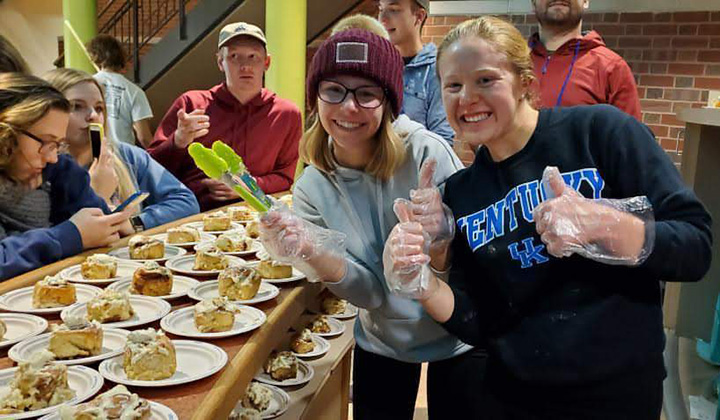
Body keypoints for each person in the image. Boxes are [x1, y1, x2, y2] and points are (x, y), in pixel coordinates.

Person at [383, 16, 712, 419]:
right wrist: (421, 281)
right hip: (514, 399)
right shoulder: (460, 193)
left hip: (618, 395)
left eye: (485, 80)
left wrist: (608, 226)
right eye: (453, 85)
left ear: (526, 84)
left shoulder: (601, 133)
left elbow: (697, 246)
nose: (466, 98)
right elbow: (479, 323)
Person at [259, 28, 484, 420]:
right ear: (316, 97)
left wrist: (443, 234)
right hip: (383, 339)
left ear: (389, 102)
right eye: (334, 90)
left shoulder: (426, 154)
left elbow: (475, 262)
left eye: (366, 93)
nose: (348, 108)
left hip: (458, 333)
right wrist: (314, 251)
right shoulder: (312, 186)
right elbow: (370, 295)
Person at [148, 22, 302, 211]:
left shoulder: (287, 114)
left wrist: (248, 187)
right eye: (234, 56)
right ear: (220, 62)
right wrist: (178, 141)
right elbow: (150, 169)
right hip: (192, 214)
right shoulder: (191, 104)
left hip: (256, 217)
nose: (245, 66)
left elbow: (285, 178)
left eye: (253, 56)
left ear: (266, 62)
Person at [0, 73, 135, 280]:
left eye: (58, 145)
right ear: (6, 133)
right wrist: (69, 236)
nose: (53, 157)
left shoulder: (58, 169)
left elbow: (101, 224)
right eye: (45, 142)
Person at [44, 68, 199, 232]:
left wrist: (136, 223)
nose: (93, 116)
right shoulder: (41, 168)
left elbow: (186, 201)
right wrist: (95, 195)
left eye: (99, 108)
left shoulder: (127, 155)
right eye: (76, 106)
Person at [529, 0, 642, 119]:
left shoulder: (612, 68)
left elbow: (629, 136)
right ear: (533, 3)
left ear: (586, 1)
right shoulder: (513, 63)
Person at [378, 0, 455, 144]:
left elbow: (441, 140)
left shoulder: (436, 70)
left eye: (394, 10)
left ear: (419, 16)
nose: (382, 19)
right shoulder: (377, 65)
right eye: (381, 9)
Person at [87, 34, 155, 148]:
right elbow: (144, 137)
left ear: (95, 56)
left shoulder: (87, 85)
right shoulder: (135, 92)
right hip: (123, 157)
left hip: (94, 154)